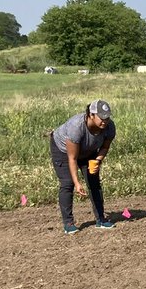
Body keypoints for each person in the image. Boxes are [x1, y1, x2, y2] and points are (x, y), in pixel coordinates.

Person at [50, 99, 116, 234]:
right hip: (63, 151)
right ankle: (68, 223)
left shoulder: (109, 127)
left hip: (89, 151)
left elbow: (105, 147)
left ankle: (101, 220)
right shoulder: (76, 127)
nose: (105, 121)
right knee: (68, 183)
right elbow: (72, 158)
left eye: (107, 117)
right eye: (102, 118)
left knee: (94, 182)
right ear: (91, 115)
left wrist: (98, 160)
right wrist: (77, 183)